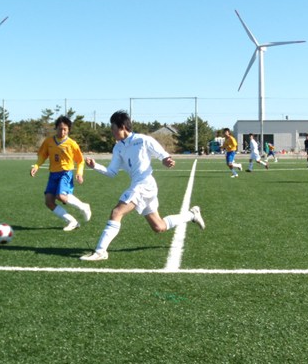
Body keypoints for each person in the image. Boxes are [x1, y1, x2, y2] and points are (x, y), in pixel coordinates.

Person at [80, 110, 205, 261]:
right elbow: (112, 172)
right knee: (159, 227)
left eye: (113, 128)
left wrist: (167, 160)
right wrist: (95, 166)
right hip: (140, 186)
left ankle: (100, 251)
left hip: (144, 185)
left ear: (122, 127)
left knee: (116, 212)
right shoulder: (118, 148)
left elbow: (162, 154)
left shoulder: (143, 140)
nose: (112, 132)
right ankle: (192, 215)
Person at [30, 116, 91, 231]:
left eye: (65, 129)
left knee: (61, 196)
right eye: (60, 128)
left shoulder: (72, 144)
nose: (62, 131)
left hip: (65, 173)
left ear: (68, 130)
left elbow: (80, 160)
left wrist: (79, 172)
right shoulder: (48, 141)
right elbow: (43, 155)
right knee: (49, 201)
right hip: (53, 174)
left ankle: (84, 207)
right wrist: (36, 166)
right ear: (56, 128)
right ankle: (72, 221)